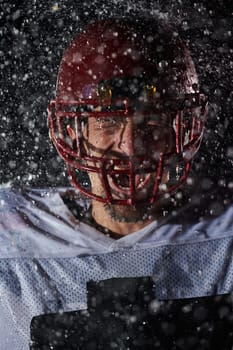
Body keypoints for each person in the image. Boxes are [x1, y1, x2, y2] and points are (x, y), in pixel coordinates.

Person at [1, 16, 233, 350]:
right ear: (74, 133)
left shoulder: (224, 237)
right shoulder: (10, 237)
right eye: (108, 122)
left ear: (182, 130)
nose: (130, 147)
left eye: (151, 121)